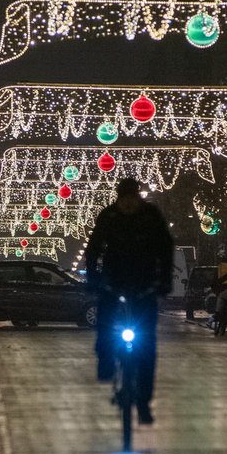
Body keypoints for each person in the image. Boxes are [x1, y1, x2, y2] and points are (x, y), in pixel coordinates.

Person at [85, 178, 173, 425]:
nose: (128, 204)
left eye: (132, 199)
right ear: (118, 199)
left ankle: (143, 402)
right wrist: (93, 279)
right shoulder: (109, 217)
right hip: (114, 282)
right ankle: (105, 360)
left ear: (137, 198)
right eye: (123, 200)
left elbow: (165, 248)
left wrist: (164, 281)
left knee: (147, 346)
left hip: (144, 285)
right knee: (105, 323)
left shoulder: (151, 216)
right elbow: (94, 250)